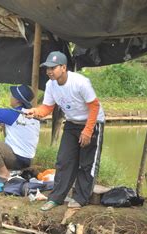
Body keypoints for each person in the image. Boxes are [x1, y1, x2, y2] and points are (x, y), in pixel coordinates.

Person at [25, 51, 105, 211]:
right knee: (63, 160)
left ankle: (81, 198)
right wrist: (36, 112)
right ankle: (56, 198)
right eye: (47, 68)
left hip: (92, 122)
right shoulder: (50, 85)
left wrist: (88, 131)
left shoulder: (80, 82)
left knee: (86, 163)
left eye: (52, 68)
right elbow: (48, 107)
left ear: (63, 67)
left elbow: (94, 106)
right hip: (72, 122)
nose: (49, 71)